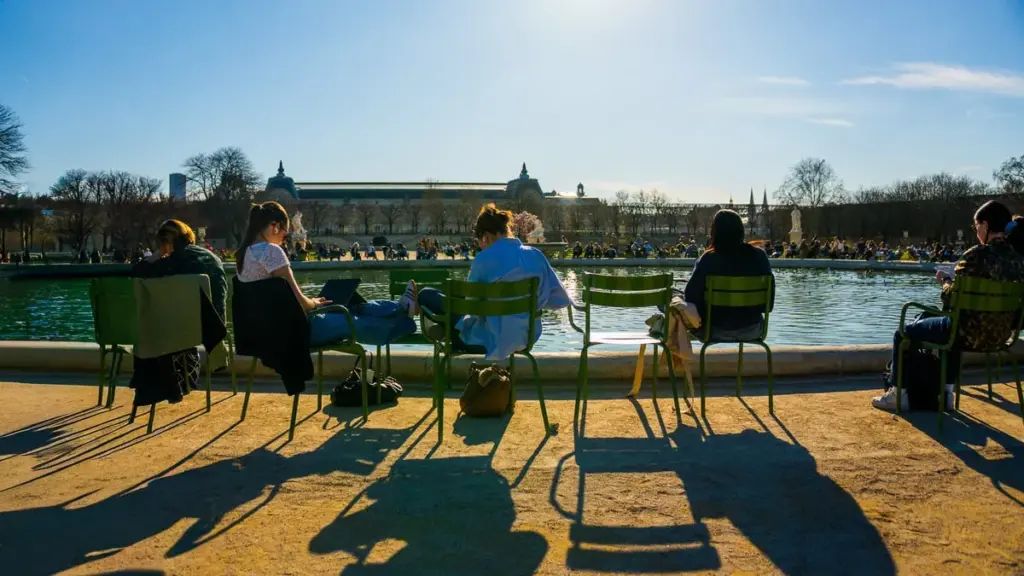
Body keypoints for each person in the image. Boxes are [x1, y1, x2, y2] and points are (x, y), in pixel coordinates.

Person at [873, 200, 1024, 411]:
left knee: (903, 332)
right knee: (950, 324)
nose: (976, 231)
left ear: (986, 225)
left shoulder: (974, 255)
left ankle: (898, 395)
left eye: (976, 226)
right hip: (1001, 337)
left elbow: (951, 301)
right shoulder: (1019, 261)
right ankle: (947, 394)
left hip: (965, 334)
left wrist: (945, 281)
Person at [416, 203, 571, 360]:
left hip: (485, 341)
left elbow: (472, 306)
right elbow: (559, 300)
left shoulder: (484, 259)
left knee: (427, 295)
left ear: (485, 236)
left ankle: (412, 304)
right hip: (526, 338)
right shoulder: (536, 255)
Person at [235, 202, 349, 347]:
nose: (286, 236)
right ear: (274, 226)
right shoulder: (271, 251)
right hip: (287, 334)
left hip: (257, 334)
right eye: (285, 231)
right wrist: (314, 303)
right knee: (351, 318)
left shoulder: (244, 254)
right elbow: (300, 303)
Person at [684, 209, 775, 340]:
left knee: (675, 301)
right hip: (752, 329)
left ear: (714, 232)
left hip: (713, 330)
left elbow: (691, 299)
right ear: (741, 230)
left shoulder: (708, 259)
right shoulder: (760, 256)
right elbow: (769, 305)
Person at [133, 219, 227, 320]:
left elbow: (138, 270)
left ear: (165, 241)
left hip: (183, 326)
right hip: (215, 327)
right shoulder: (213, 258)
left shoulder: (175, 261)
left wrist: (156, 255)